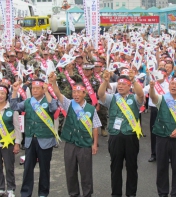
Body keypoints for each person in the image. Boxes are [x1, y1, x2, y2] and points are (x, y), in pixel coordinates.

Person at [50, 73, 100, 197]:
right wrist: (54, 82)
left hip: (85, 145)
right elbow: (58, 94)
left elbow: (95, 127)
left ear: (84, 94)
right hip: (70, 143)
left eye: (79, 92)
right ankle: (74, 194)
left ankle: (87, 194)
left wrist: (94, 144)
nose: (76, 95)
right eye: (74, 92)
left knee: (86, 172)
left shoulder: (91, 109)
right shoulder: (69, 104)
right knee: (70, 172)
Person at [98, 69, 145, 197]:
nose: (120, 86)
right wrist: (105, 81)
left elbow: (141, 95)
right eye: (119, 84)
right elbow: (100, 94)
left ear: (129, 86)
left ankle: (131, 193)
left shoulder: (134, 98)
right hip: (115, 136)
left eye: (124, 84)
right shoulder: (112, 98)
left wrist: (134, 80)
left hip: (131, 136)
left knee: (132, 167)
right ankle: (116, 193)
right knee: (115, 167)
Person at [10, 79, 58, 197]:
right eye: (33, 88)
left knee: (44, 169)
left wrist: (47, 92)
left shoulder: (49, 100)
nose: (35, 90)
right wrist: (15, 91)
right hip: (30, 140)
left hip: (45, 140)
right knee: (27, 168)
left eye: (37, 88)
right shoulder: (28, 102)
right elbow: (14, 106)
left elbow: (54, 109)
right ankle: (26, 193)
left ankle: (43, 193)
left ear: (43, 89)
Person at [149, 75, 176, 197]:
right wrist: (152, 88)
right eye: (172, 84)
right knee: (161, 167)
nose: (173, 86)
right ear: (169, 85)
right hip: (162, 137)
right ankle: (162, 193)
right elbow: (153, 97)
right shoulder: (162, 99)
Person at [143, 68, 169, 162]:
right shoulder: (152, 83)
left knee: (166, 131)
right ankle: (154, 153)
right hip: (154, 110)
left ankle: (167, 154)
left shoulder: (169, 85)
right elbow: (143, 91)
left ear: (165, 76)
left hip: (165, 110)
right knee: (154, 131)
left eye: (161, 75)